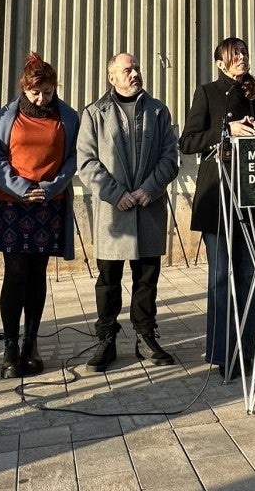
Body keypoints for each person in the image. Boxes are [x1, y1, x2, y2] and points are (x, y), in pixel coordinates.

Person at [0, 52, 79, 379]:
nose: (42, 98)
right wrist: (21, 187)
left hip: (48, 204)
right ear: (25, 88)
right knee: (15, 273)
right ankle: (10, 346)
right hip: (13, 203)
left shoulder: (68, 117)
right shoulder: (7, 115)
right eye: (36, 92)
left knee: (37, 274)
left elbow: (72, 159)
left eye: (48, 92)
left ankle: (31, 343)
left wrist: (49, 187)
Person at [76, 52, 180, 372]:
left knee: (146, 278)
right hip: (114, 213)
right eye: (127, 70)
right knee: (108, 279)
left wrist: (150, 188)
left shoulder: (158, 110)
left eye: (136, 68)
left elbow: (169, 157)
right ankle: (106, 339)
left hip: (148, 207)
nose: (134, 73)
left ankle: (145, 337)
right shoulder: (95, 113)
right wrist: (115, 193)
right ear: (112, 78)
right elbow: (87, 162)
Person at [179, 38, 255, 380]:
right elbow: (187, 141)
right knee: (221, 276)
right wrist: (225, 130)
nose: (242, 59)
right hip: (217, 195)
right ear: (220, 63)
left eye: (244, 53)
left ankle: (249, 350)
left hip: (253, 194)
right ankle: (222, 353)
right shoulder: (207, 93)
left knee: (249, 275)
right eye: (235, 55)